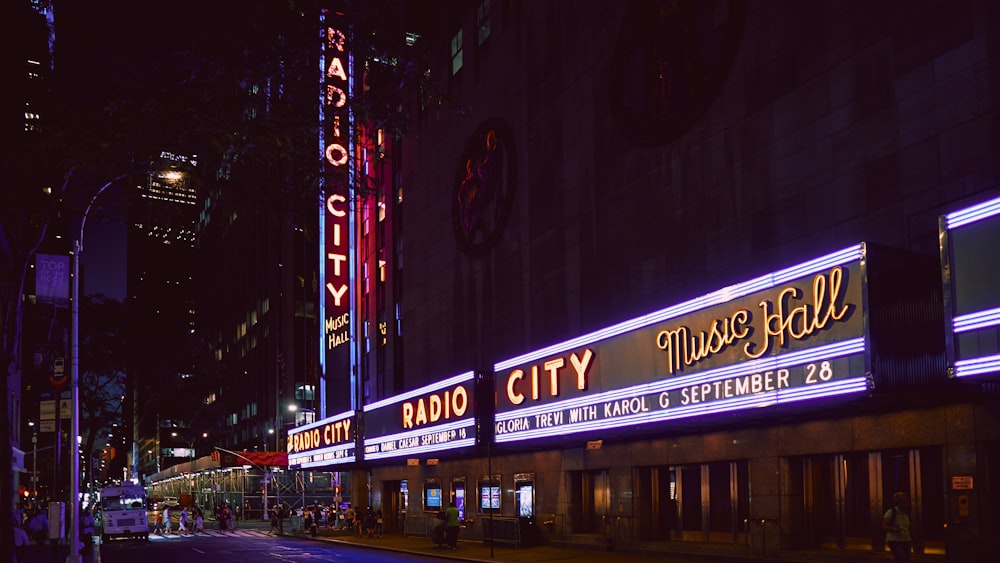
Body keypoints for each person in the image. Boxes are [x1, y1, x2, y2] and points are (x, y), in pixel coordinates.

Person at [882, 491, 913, 562]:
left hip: (906, 540)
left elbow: (908, 526)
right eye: (904, 501)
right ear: (898, 502)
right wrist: (894, 529)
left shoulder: (907, 513)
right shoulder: (891, 512)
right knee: (901, 558)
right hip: (894, 540)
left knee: (907, 559)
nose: (906, 502)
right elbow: (884, 526)